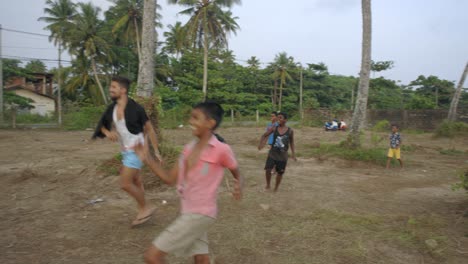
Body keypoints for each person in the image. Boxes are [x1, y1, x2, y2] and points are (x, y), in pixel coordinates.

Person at [134, 101, 243, 264]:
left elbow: (235, 169)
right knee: (201, 258)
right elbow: (170, 179)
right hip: (189, 211)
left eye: (195, 118)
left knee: (152, 256)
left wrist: (238, 183)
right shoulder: (188, 148)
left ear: (210, 123)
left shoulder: (221, 149)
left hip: (200, 213)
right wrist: (147, 158)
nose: (190, 121)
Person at [92, 76, 161, 227]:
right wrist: (108, 132)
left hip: (137, 149)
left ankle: (145, 207)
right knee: (136, 181)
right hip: (125, 150)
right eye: (111, 87)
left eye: (114, 87)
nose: (110, 90)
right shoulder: (112, 108)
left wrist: (155, 151)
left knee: (125, 183)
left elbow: (149, 129)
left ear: (123, 90)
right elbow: (101, 126)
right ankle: (143, 210)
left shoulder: (136, 109)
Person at [258, 112, 296, 192]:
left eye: (280, 118)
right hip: (273, 153)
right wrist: (261, 143)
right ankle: (268, 185)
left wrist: (293, 154)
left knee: (280, 173)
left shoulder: (290, 131)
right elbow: (264, 135)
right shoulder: (274, 128)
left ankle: (276, 188)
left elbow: (292, 142)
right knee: (268, 169)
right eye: (277, 118)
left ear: (285, 120)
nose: (278, 119)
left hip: (283, 156)